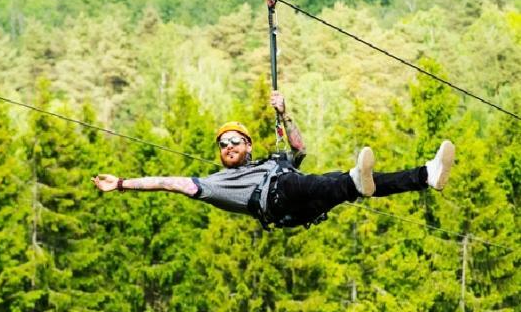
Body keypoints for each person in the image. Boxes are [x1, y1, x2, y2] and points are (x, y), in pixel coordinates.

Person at [92, 91, 455, 228]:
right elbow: (170, 183)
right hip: (280, 201)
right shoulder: (217, 183)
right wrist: (123, 184)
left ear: (248, 146)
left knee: (352, 184)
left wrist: (284, 113)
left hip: (303, 206)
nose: (228, 147)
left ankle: (426, 175)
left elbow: (300, 148)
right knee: (310, 180)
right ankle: (352, 182)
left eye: (235, 141)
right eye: (222, 145)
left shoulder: (268, 161)